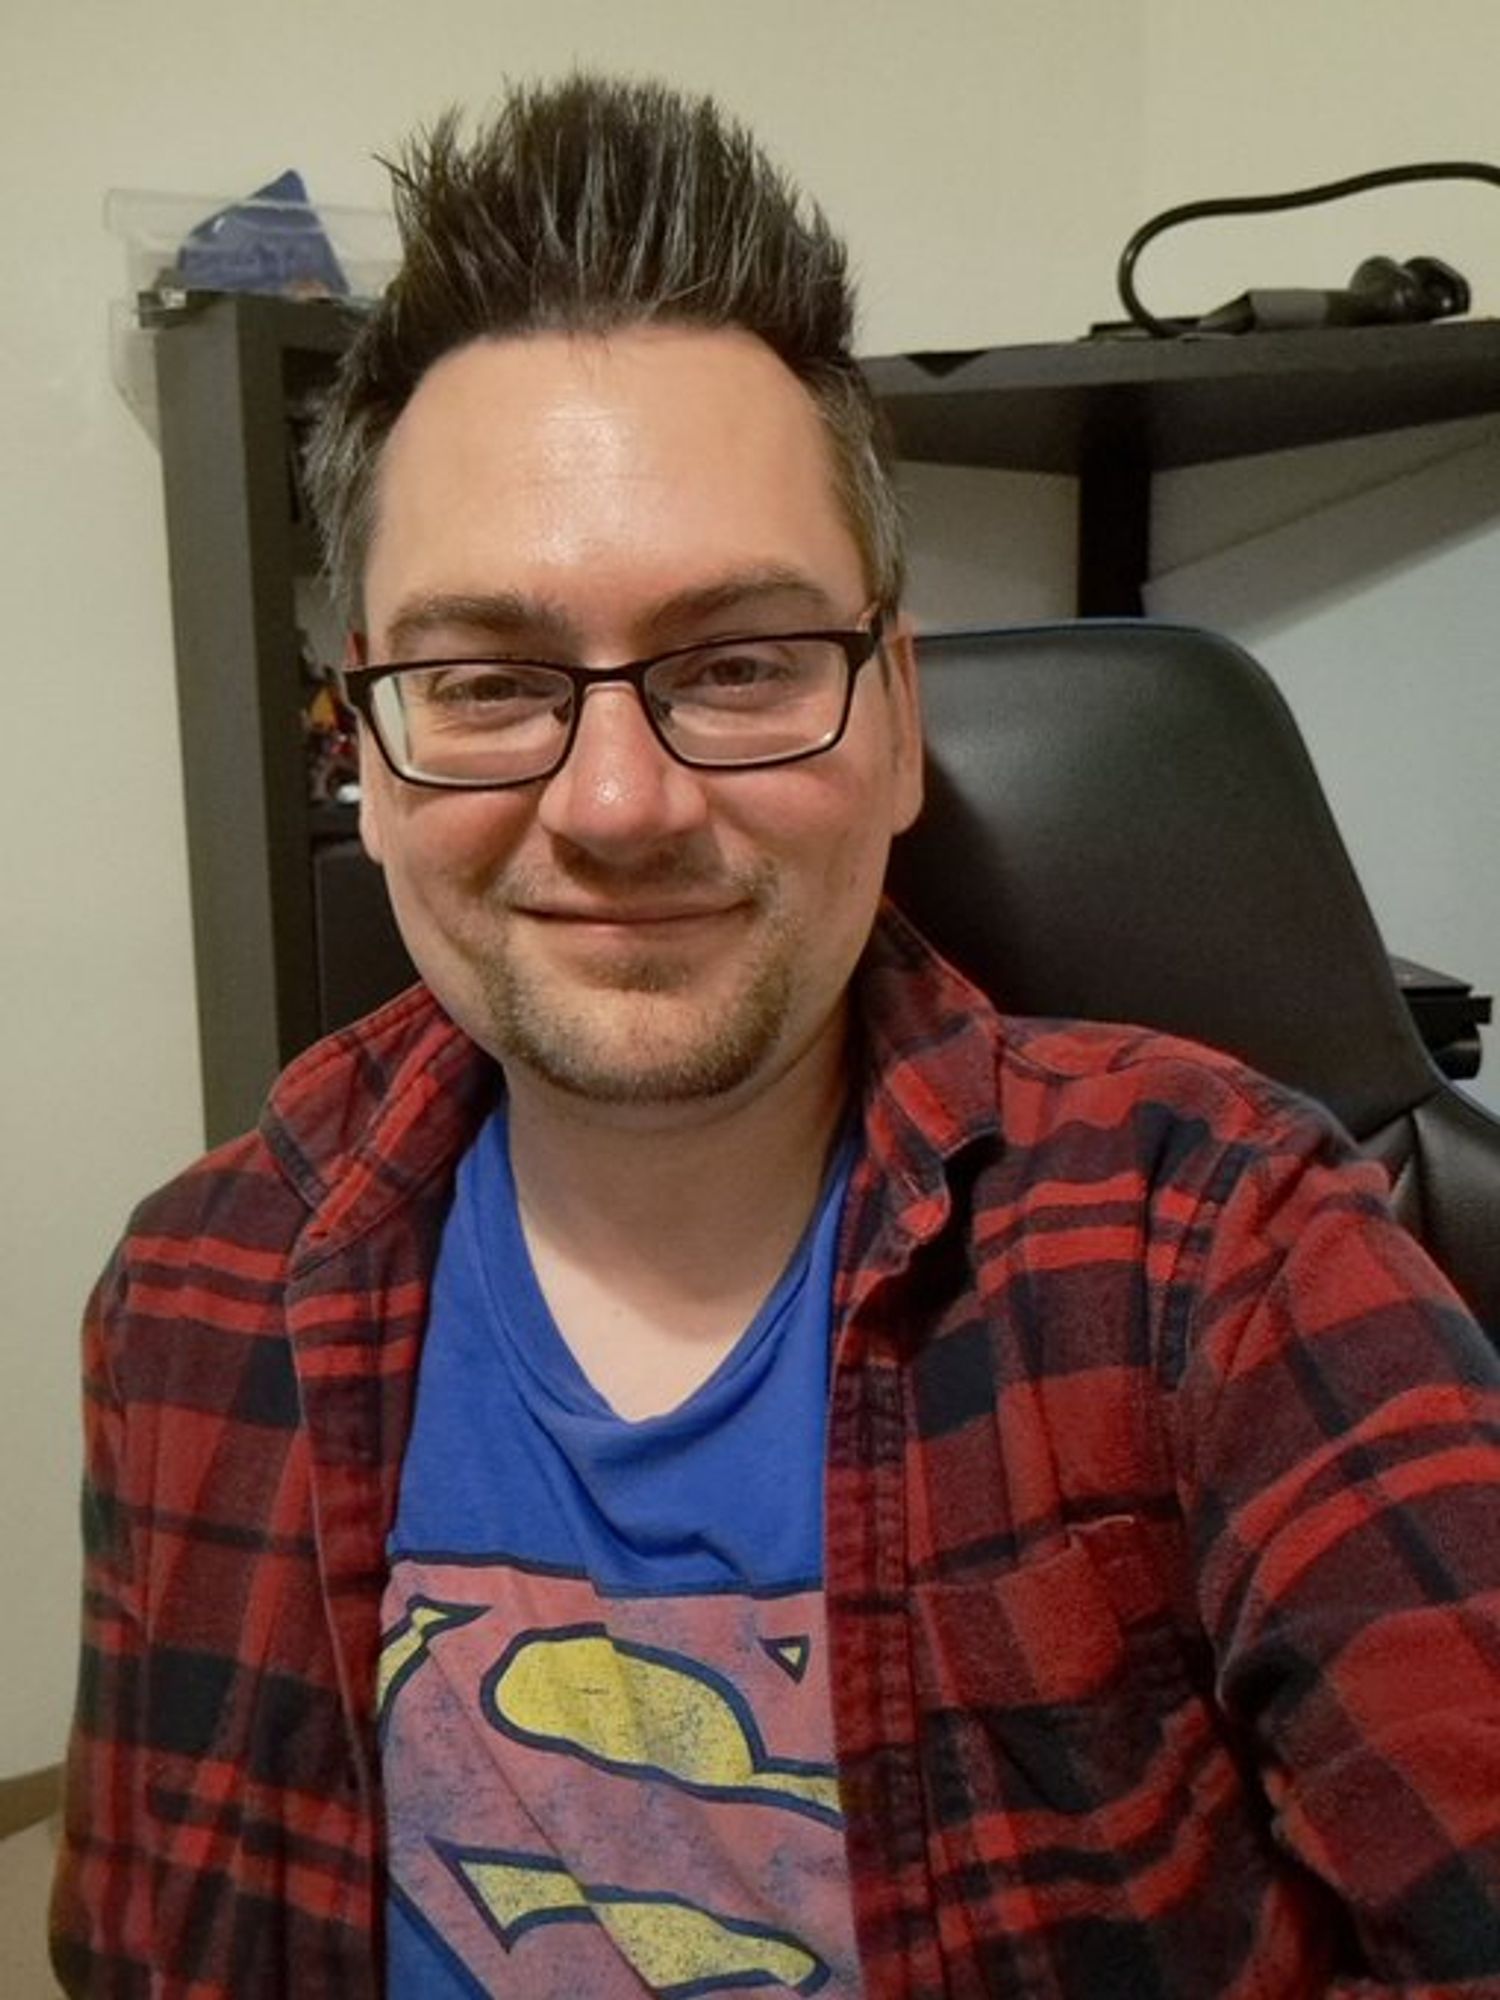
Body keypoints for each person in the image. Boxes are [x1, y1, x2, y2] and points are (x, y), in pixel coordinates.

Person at [51, 73, 1500, 2000]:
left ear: (894, 722)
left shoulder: (1226, 1258)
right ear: (369, 764)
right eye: (487, 679)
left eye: (738, 664)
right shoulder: (189, 1299)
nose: (623, 805)